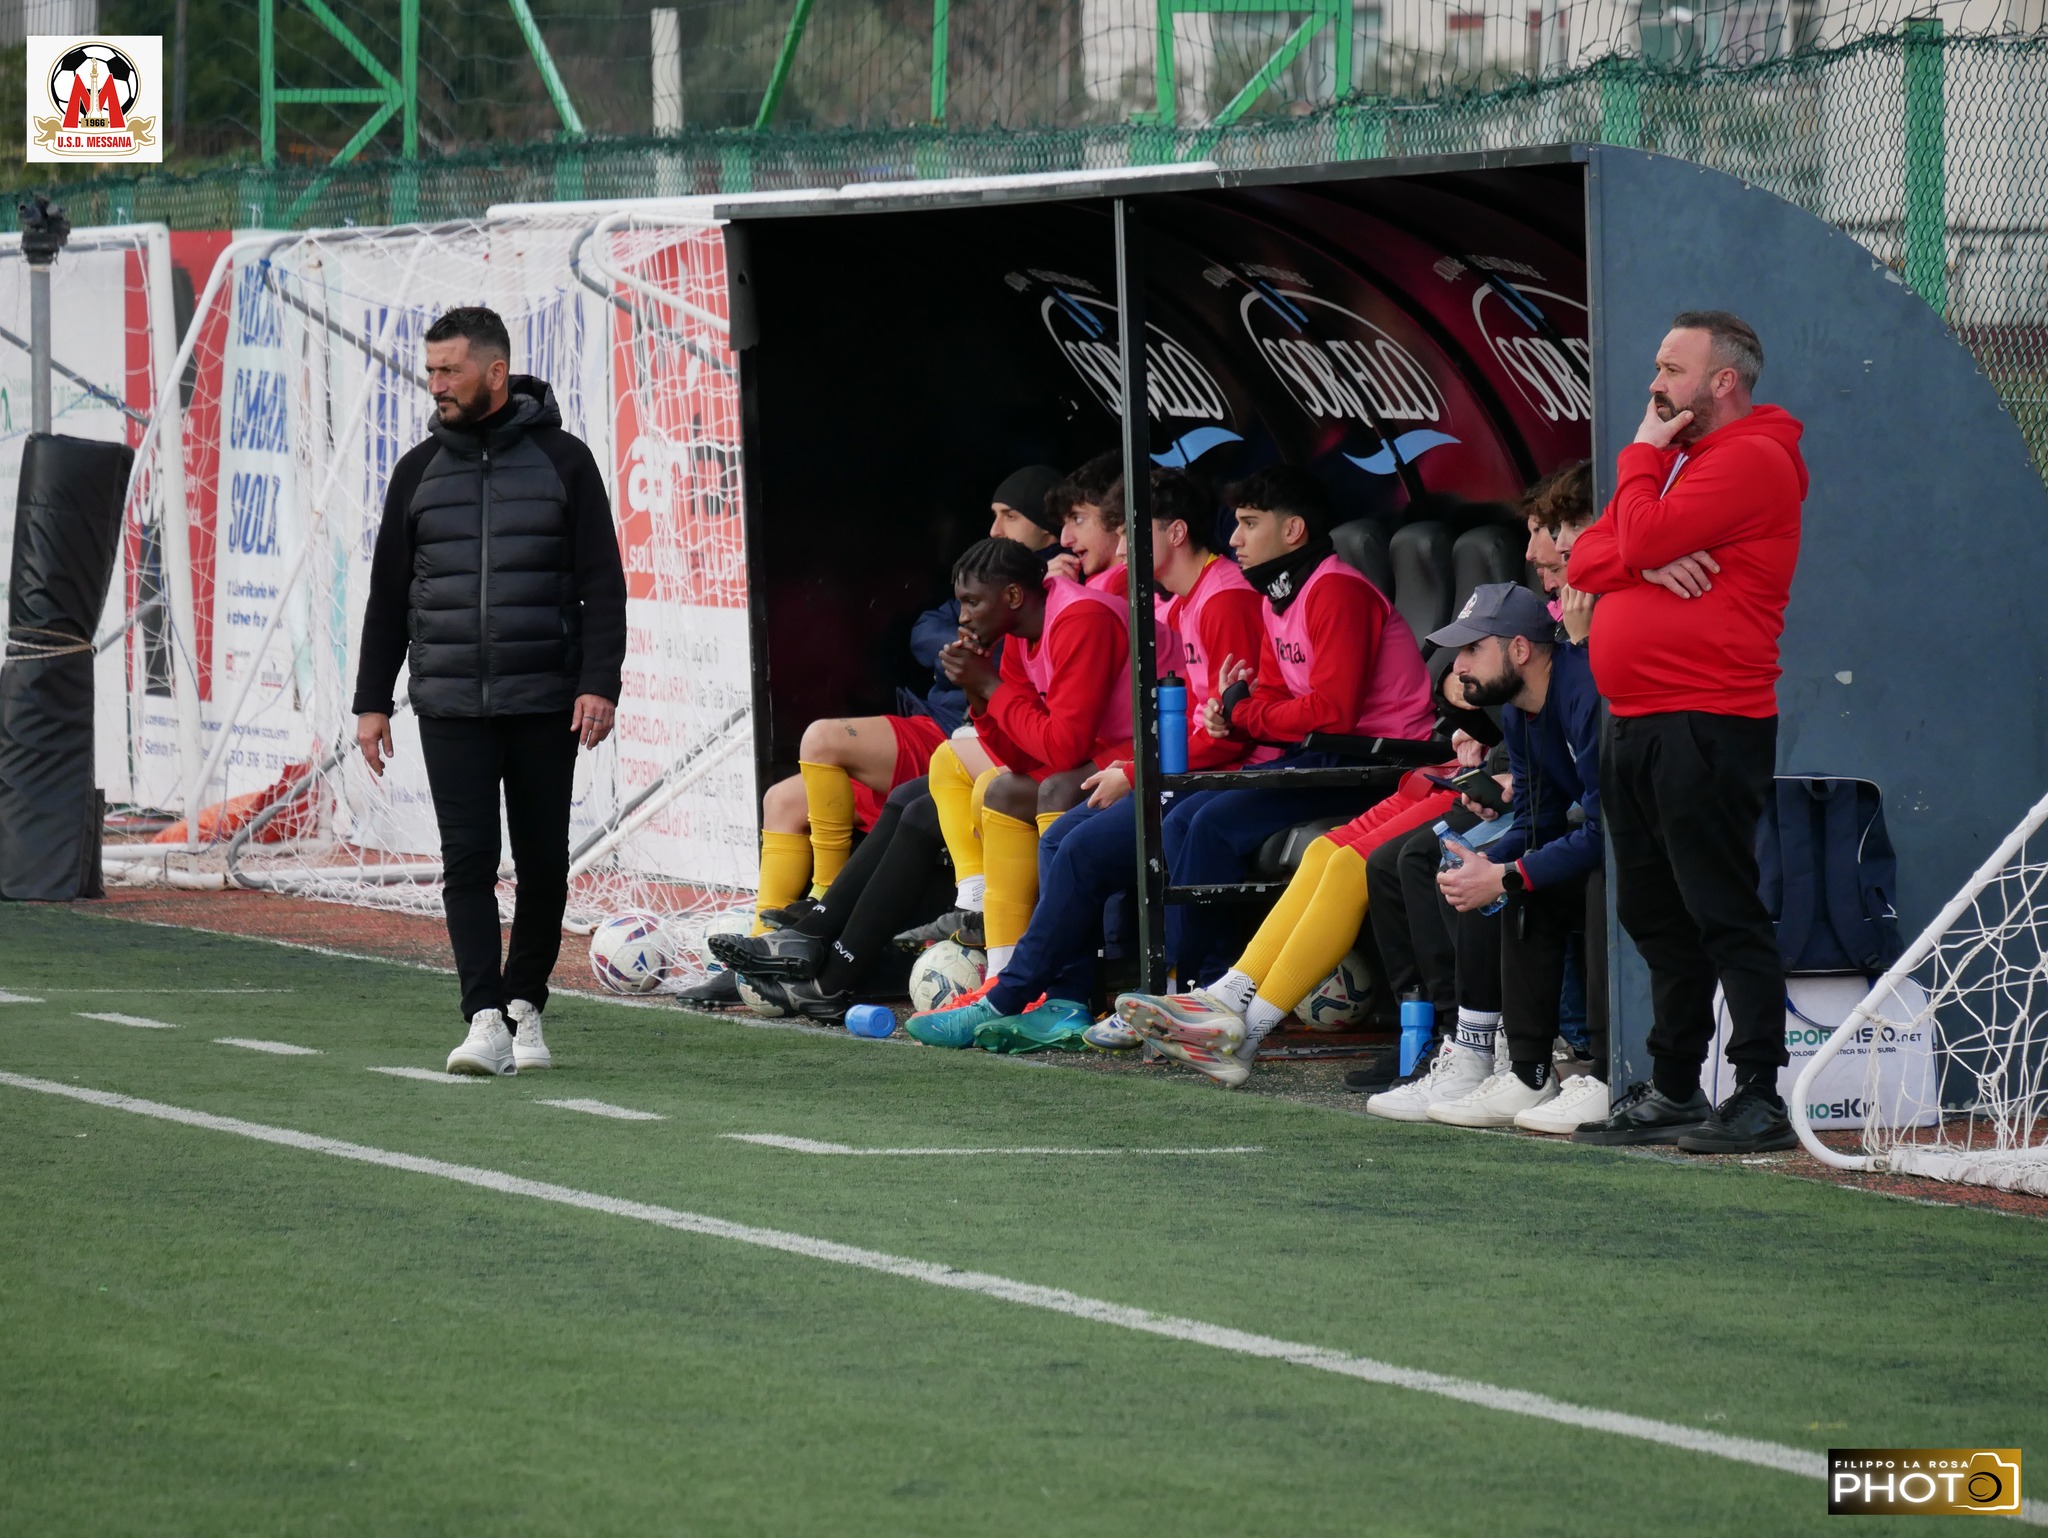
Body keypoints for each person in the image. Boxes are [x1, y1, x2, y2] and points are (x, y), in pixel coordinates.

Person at [900, 468, 1267, 1050]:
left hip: (1182, 767)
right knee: (1012, 796)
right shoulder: (1024, 636)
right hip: (1141, 763)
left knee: (1065, 815)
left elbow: (1070, 746)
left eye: (972, 602)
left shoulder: (1093, 615)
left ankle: (1034, 992)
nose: (963, 617)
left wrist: (994, 690)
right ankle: (1034, 986)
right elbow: (1023, 751)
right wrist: (981, 692)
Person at [351, 306, 626, 1076]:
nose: (435, 384)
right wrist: (373, 699)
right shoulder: (415, 471)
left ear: (494, 373)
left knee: (542, 864)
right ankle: (481, 1017)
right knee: (466, 862)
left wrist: (599, 682)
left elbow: (603, 585)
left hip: (546, 698)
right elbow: (388, 595)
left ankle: (525, 1005)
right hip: (448, 705)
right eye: (431, 370)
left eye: (450, 371)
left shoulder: (566, 462)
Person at [1566, 310, 1805, 1155]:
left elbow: (1629, 537)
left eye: (1672, 368)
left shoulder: (1750, 457)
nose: (1656, 384)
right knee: (1654, 914)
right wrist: (1643, 552)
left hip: (1708, 721)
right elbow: (1583, 559)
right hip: (1633, 723)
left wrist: (1640, 510)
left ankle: (1758, 1095)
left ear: (1723, 382)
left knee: (1722, 911)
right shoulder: (1677, 466)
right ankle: (1674, 1088)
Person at [1111, 661, 1480, 1086]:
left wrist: (1244, 712)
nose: (1463, 659)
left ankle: (1244, 1036)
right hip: (1441, 771)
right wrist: (1467, 701)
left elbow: (1333, 709)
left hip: (1441, 770)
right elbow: (1455, 683)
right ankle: (1226, 995)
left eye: (1474, 647)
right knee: (1324, 849)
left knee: (1347, 865)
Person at [1165, 464, 1435, 985]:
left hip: (1380, 763)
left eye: (1248, 523)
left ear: (1293, 531)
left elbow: (1333, 712)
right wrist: (1234, 715)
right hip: (1326, 755)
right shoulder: (1280, 594)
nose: (1234, 539)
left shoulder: (1336, 590)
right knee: (1184, 814)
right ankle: (1197, 975)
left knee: (1211, 822)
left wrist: (1245, 713)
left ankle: (1204, 982)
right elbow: (1269, 693)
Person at [1357, 584, 1607, 1127]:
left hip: (1641, 852)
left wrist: (1509, 874)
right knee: (1482, 878)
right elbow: (1540, 818)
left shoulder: (1586, 689)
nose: (1459, 665)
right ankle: (1518, 1069)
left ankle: (1607, 1070)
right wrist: (1486, 867)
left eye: (1473, 649)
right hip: (1601, 840)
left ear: (1520, 649)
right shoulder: (1517, 708)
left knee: (1562, 886)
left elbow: (1609, 830)